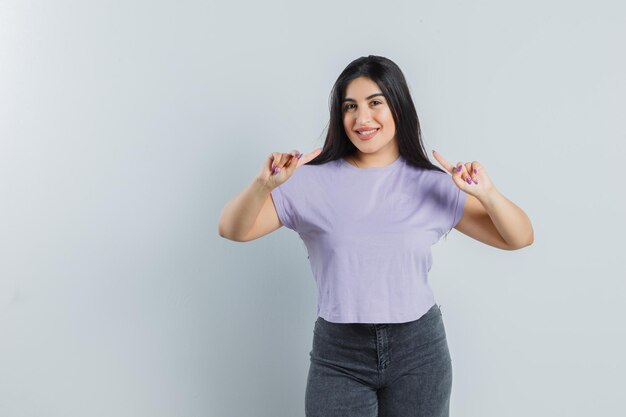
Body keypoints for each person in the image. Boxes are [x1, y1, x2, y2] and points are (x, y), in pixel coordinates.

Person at [218, 55, 534, 417]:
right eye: (350, 106)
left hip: (419, 352)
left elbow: (519, 236)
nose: (362, 119)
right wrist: (262, 186)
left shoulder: (432, 184)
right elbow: (232, 229)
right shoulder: (308, 181)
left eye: (375, 103)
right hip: (339, 355)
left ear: (398, 106)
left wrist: (487, 194)